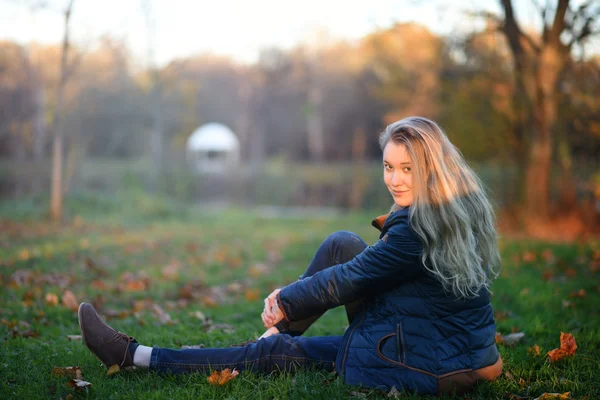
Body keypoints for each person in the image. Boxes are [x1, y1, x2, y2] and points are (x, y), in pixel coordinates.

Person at [78, 116, 503, 395]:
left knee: (276, 353)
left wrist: (285, 299)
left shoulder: (417, 228)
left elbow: (350, 280)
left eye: (407, 169)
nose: (394, 179)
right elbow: (364, 269)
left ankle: (134, 356)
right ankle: (265, 342)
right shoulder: (449, 208)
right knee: (341, 242)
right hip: (448, 346)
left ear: (431, 168)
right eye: (389, 166)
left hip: (426, 362)